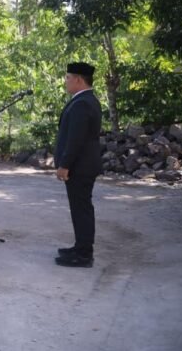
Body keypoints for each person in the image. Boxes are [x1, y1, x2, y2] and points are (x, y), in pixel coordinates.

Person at [54, 62, 102, 268]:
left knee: (81, 209)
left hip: (80, 167)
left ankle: (84, 254)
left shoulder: (82, 103)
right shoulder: (86, 100)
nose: (65, 82)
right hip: (82, 165)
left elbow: (76, 139)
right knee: (79, 208)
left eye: (67, 77)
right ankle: (80, 246)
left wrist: (65, 165)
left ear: (78, 79)